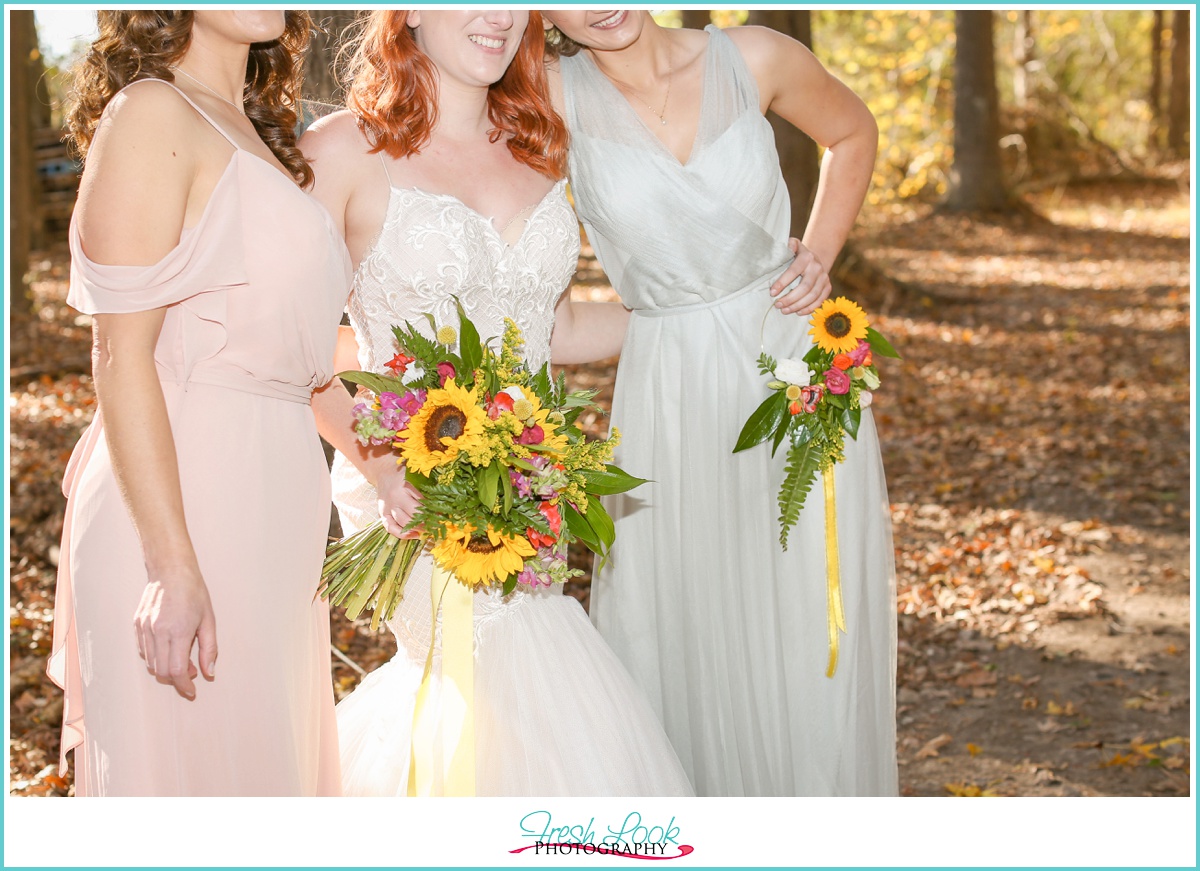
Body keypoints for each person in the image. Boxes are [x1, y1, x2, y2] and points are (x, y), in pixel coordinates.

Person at [302, 9, 692, 797]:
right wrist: (383, 473)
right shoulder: (342, 152)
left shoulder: (539, 147)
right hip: (413, 492)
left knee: (514, 702)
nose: (498, 15)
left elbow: (560, 325)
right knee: (510, 678)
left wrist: (717, 308)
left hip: (534, 490)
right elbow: (297, 353)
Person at [542, 10, 898, 796]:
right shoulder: (545, 95)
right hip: (667, 385)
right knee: (681, 628)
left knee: (807, 626)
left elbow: (854, 133)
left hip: (791, 368)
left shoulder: (756, 55)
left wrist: (820, 254)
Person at [47, 10, 348, 796]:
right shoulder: (153, 111)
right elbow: (120, 352)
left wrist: (395, 466)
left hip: (276, 507)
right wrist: (171, 567)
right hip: (187, 502)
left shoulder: (255, 131)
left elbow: (298, 362)